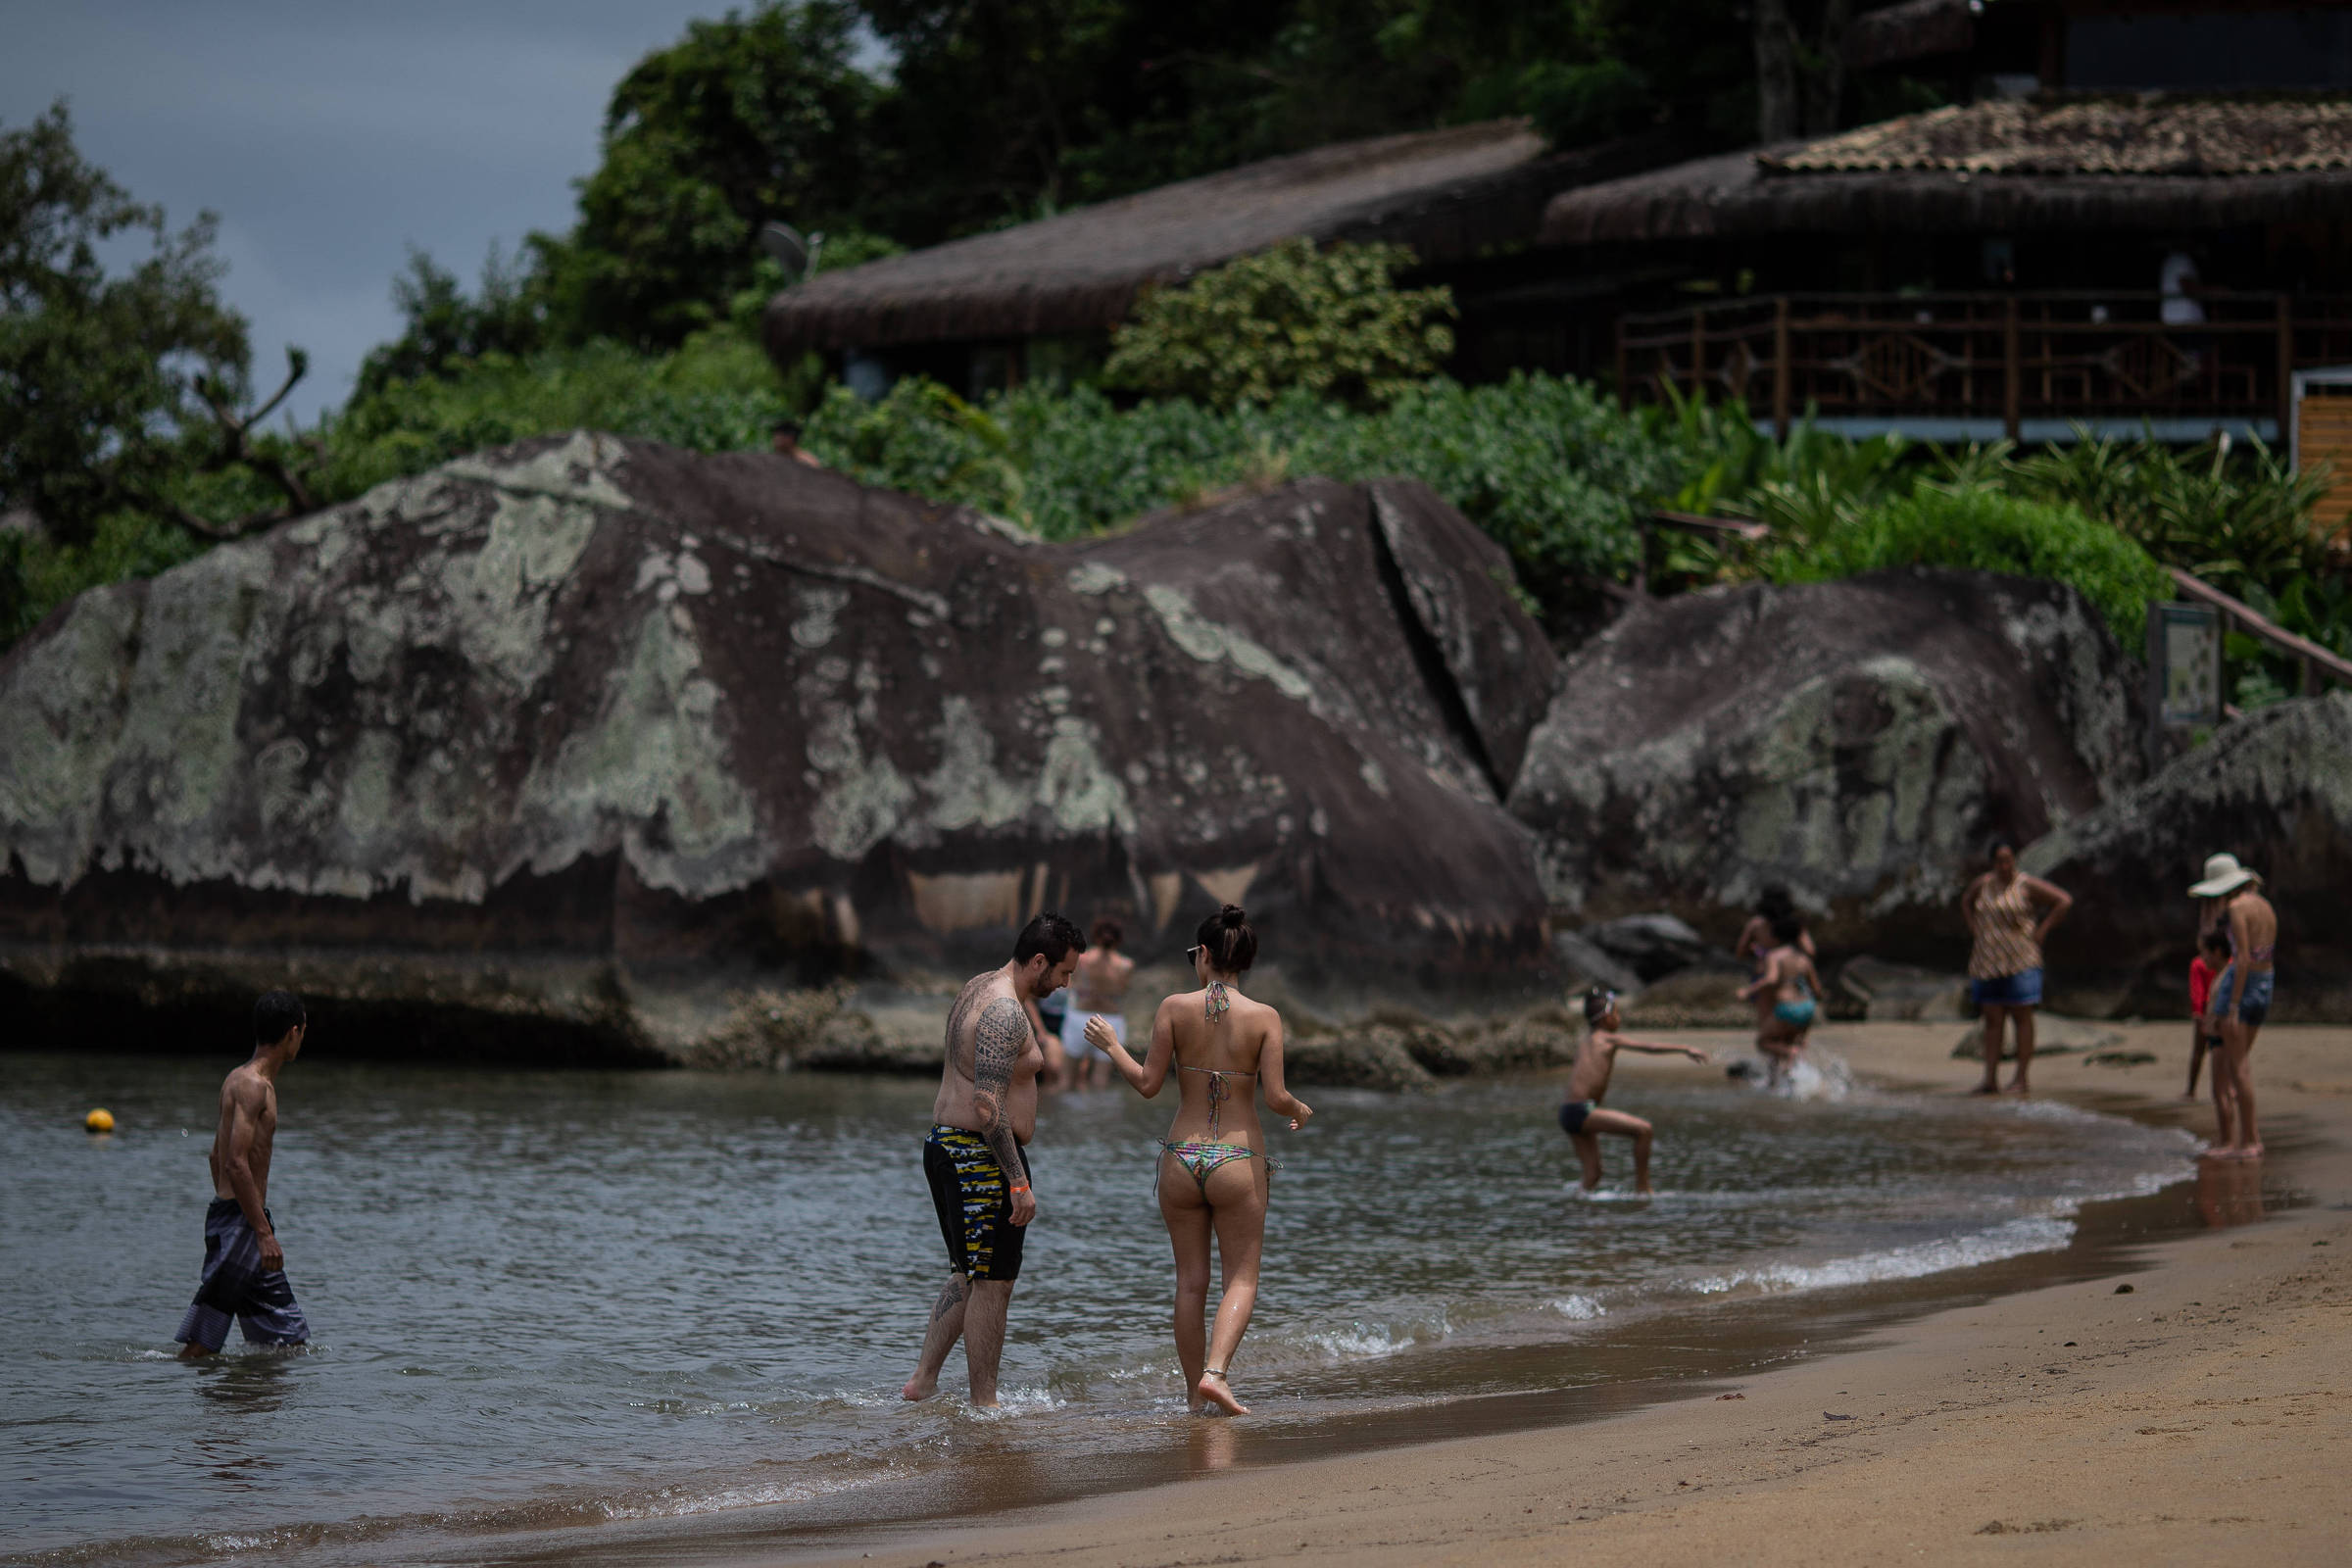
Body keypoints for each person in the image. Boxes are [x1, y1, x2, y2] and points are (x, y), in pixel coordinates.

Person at [1085, 905, 1311, 1416]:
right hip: (1237, 1158)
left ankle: (1194, 1397)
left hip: (1181, 1158)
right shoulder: (1265, 1018)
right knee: (1243, 1277)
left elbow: (1146, 1084)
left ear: (1204, 954)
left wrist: (1111, 1045)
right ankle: (1215, 1375)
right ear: (1244, 961)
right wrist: (1298, 1109)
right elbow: (1275, 1097)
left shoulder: (1172, 1007)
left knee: (1190, 1281)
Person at [903, 912, 1085, 1406]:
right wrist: (1018, 1180)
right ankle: (985, 1404)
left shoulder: (978, 985)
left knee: (970, 1270)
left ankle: (923, 1382)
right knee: (993, 1281)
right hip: (976, 1156)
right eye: (1064, 973)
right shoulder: (1005, 1011)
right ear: (1040, 961)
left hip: (947, 1145)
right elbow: (987, 1104)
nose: (1065, 984)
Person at [175, 991, 312, 1357]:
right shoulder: (254, 1087)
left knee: (289, 1343)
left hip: (242, 1220)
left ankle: (253, 1410)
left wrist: (237, 1214)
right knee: (203, 1344)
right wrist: (259, 1231)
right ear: (292, 1033)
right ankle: (164, 1401)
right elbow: (234, 1161)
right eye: (302, 1032)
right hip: (244, 1225)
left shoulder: (237, 1079)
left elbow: (215, 1156)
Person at [1559, 987, 1711, 1195]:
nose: (1619, 1019)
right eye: (1617, 1013)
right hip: (1582, 1110)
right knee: (1643, 1130)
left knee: (1592, 1175)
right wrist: (1685, 1048)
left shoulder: (1587, 1041)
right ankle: (1644, 1190)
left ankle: (1577, 1212)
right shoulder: (1607, 1038)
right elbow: (1649, 1047)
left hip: (1569, 1112)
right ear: (1606, 1017)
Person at [1962, 839, 2073, 1096]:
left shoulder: (2025, 884)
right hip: (1987, 961)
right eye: (1999, 861)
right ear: (1992, 863)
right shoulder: (1983, 884)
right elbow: (1966, 900)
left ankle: (2021, 1078)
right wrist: (1973, 928)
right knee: (1992, 1020)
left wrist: (2042, 930)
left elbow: (2063, 901)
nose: (2004, 866)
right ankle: (1990, 1079)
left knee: (2021, 1017)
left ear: (2014, 860)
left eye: (2008, 860)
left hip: (2021, 959)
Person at [2190, 854, 2278, 1160]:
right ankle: (2241, 1139)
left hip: (2243, 985)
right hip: (2266, 981)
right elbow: (2261, 954)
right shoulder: (2264, 905)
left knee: (2237, 1068)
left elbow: (2240, 959)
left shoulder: (2237, 908)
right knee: (2236, 1066)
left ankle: (2249, 1140)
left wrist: (2233, 1005)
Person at [1739, 912, 1823, 1087]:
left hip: (1787, 1007)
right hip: (1807, 1007)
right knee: (1788, 1042)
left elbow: (1770, 979)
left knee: (1764, 1042)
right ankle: (1783, 1082)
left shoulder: (1775, 956)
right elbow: (1817, 990)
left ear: (1775, 935)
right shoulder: (1804, 959)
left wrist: (1748, 991)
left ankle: (1790, 1056)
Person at [1059, 916, 1135, 1089]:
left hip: (1081, 1018)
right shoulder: (1125, 965)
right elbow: (1122, 991)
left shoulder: (1082, 960)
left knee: (1066, 1080)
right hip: (1110, 1021)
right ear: (1119, 939)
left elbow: (1071, 985)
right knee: (1100, 1080)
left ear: (1095, 935)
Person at [2185, 926, 2229, 1103]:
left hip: (2209, 1013)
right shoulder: (2230, 965)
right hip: (2215, 1014)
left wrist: (2198, 1013)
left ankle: (2191, 1091)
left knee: (2200, 1052)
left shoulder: (2199, 964)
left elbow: (2198, 991)